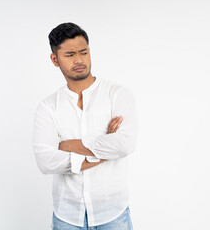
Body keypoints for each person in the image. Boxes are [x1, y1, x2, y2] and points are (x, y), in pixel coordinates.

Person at [33, 22, 138, 230]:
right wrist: (105, 146)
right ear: (55, 59)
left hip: (113, 215)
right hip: (67, 217)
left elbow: (125, 144)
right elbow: (45, 161)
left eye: (83, 52)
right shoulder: (48, 107)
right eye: (70, 55)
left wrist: (68, 146)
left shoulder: (117, 94)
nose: (79, 60)